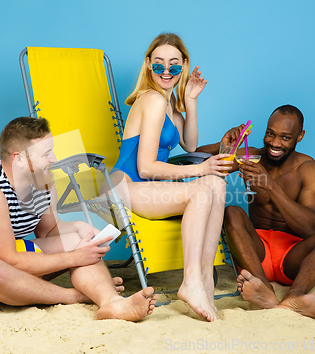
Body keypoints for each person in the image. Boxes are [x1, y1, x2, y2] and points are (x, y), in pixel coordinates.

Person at [0, 116, 157, 321]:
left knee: (79, 239)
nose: (54, 159)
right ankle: (75, 296)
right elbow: (8, 260)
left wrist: (78, 228)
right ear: (18, 159)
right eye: (46, 154)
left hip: (9, 259)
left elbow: (47, 232)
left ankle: (110, 303)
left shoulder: (43, 181)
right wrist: (73, 258)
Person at [106, 33, 233, 321]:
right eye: (160, 64)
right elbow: (147, 167)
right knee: (202, 188)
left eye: (174, 66)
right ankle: (190, 281)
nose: (166, 71)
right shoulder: (151, 99)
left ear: (184, 66)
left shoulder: (170, 105)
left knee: (216, 183)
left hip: (150, 189)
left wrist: (189, 99)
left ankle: (204, 280)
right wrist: (200, 169)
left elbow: (189, 144)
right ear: (148, 65)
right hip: (125, 186)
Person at [197, 104, 315, 318]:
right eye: (270, 134)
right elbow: (198, 158)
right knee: (232, 211)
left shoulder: (311, 170)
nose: (275, 143)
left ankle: (295, 296)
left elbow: (310, 227)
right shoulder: (252, 157)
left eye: (285, 137)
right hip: (256, 253)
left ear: (299, 136)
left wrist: (270, 185)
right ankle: (264, 288)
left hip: (292, 256)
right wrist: (225, 144)